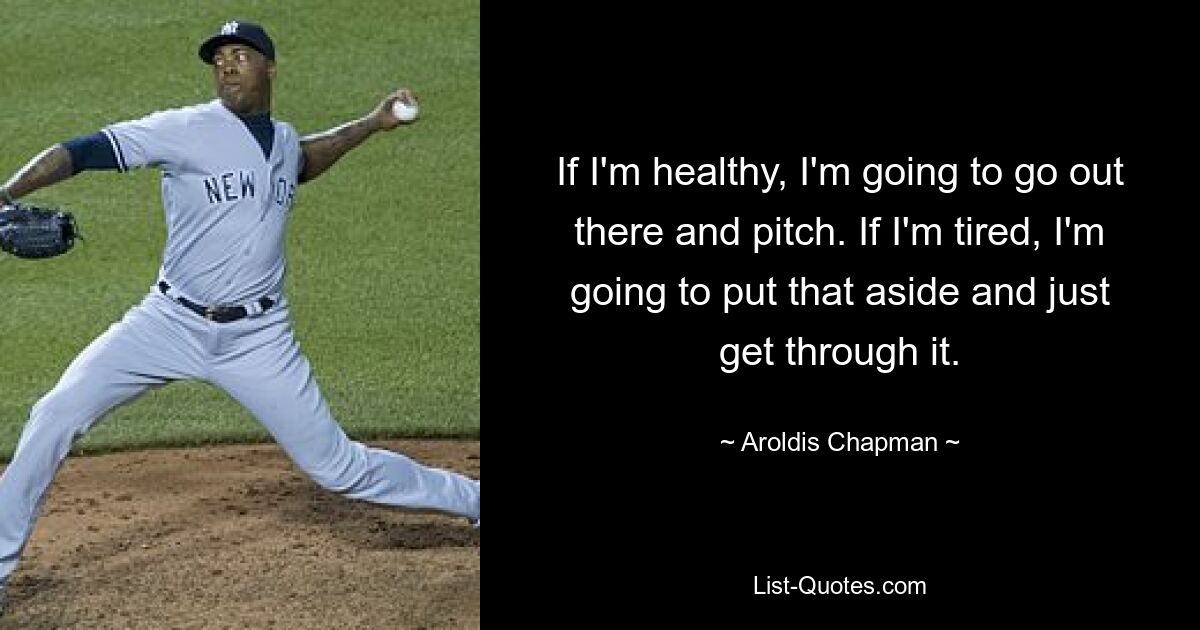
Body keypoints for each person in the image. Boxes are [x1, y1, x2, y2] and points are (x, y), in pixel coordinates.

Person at [0, 20, 479, 614]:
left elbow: (300, 161)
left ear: (269, 67)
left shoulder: (279, 138)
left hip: (260, 339)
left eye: (240, 55)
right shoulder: (185, 128)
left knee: (337, 467)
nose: (227, 65)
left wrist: (372, 125)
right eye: (219, 58)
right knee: (55, 414)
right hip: (166, 323)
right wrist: (7, 193)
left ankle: (473, 499)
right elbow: (81, 150)